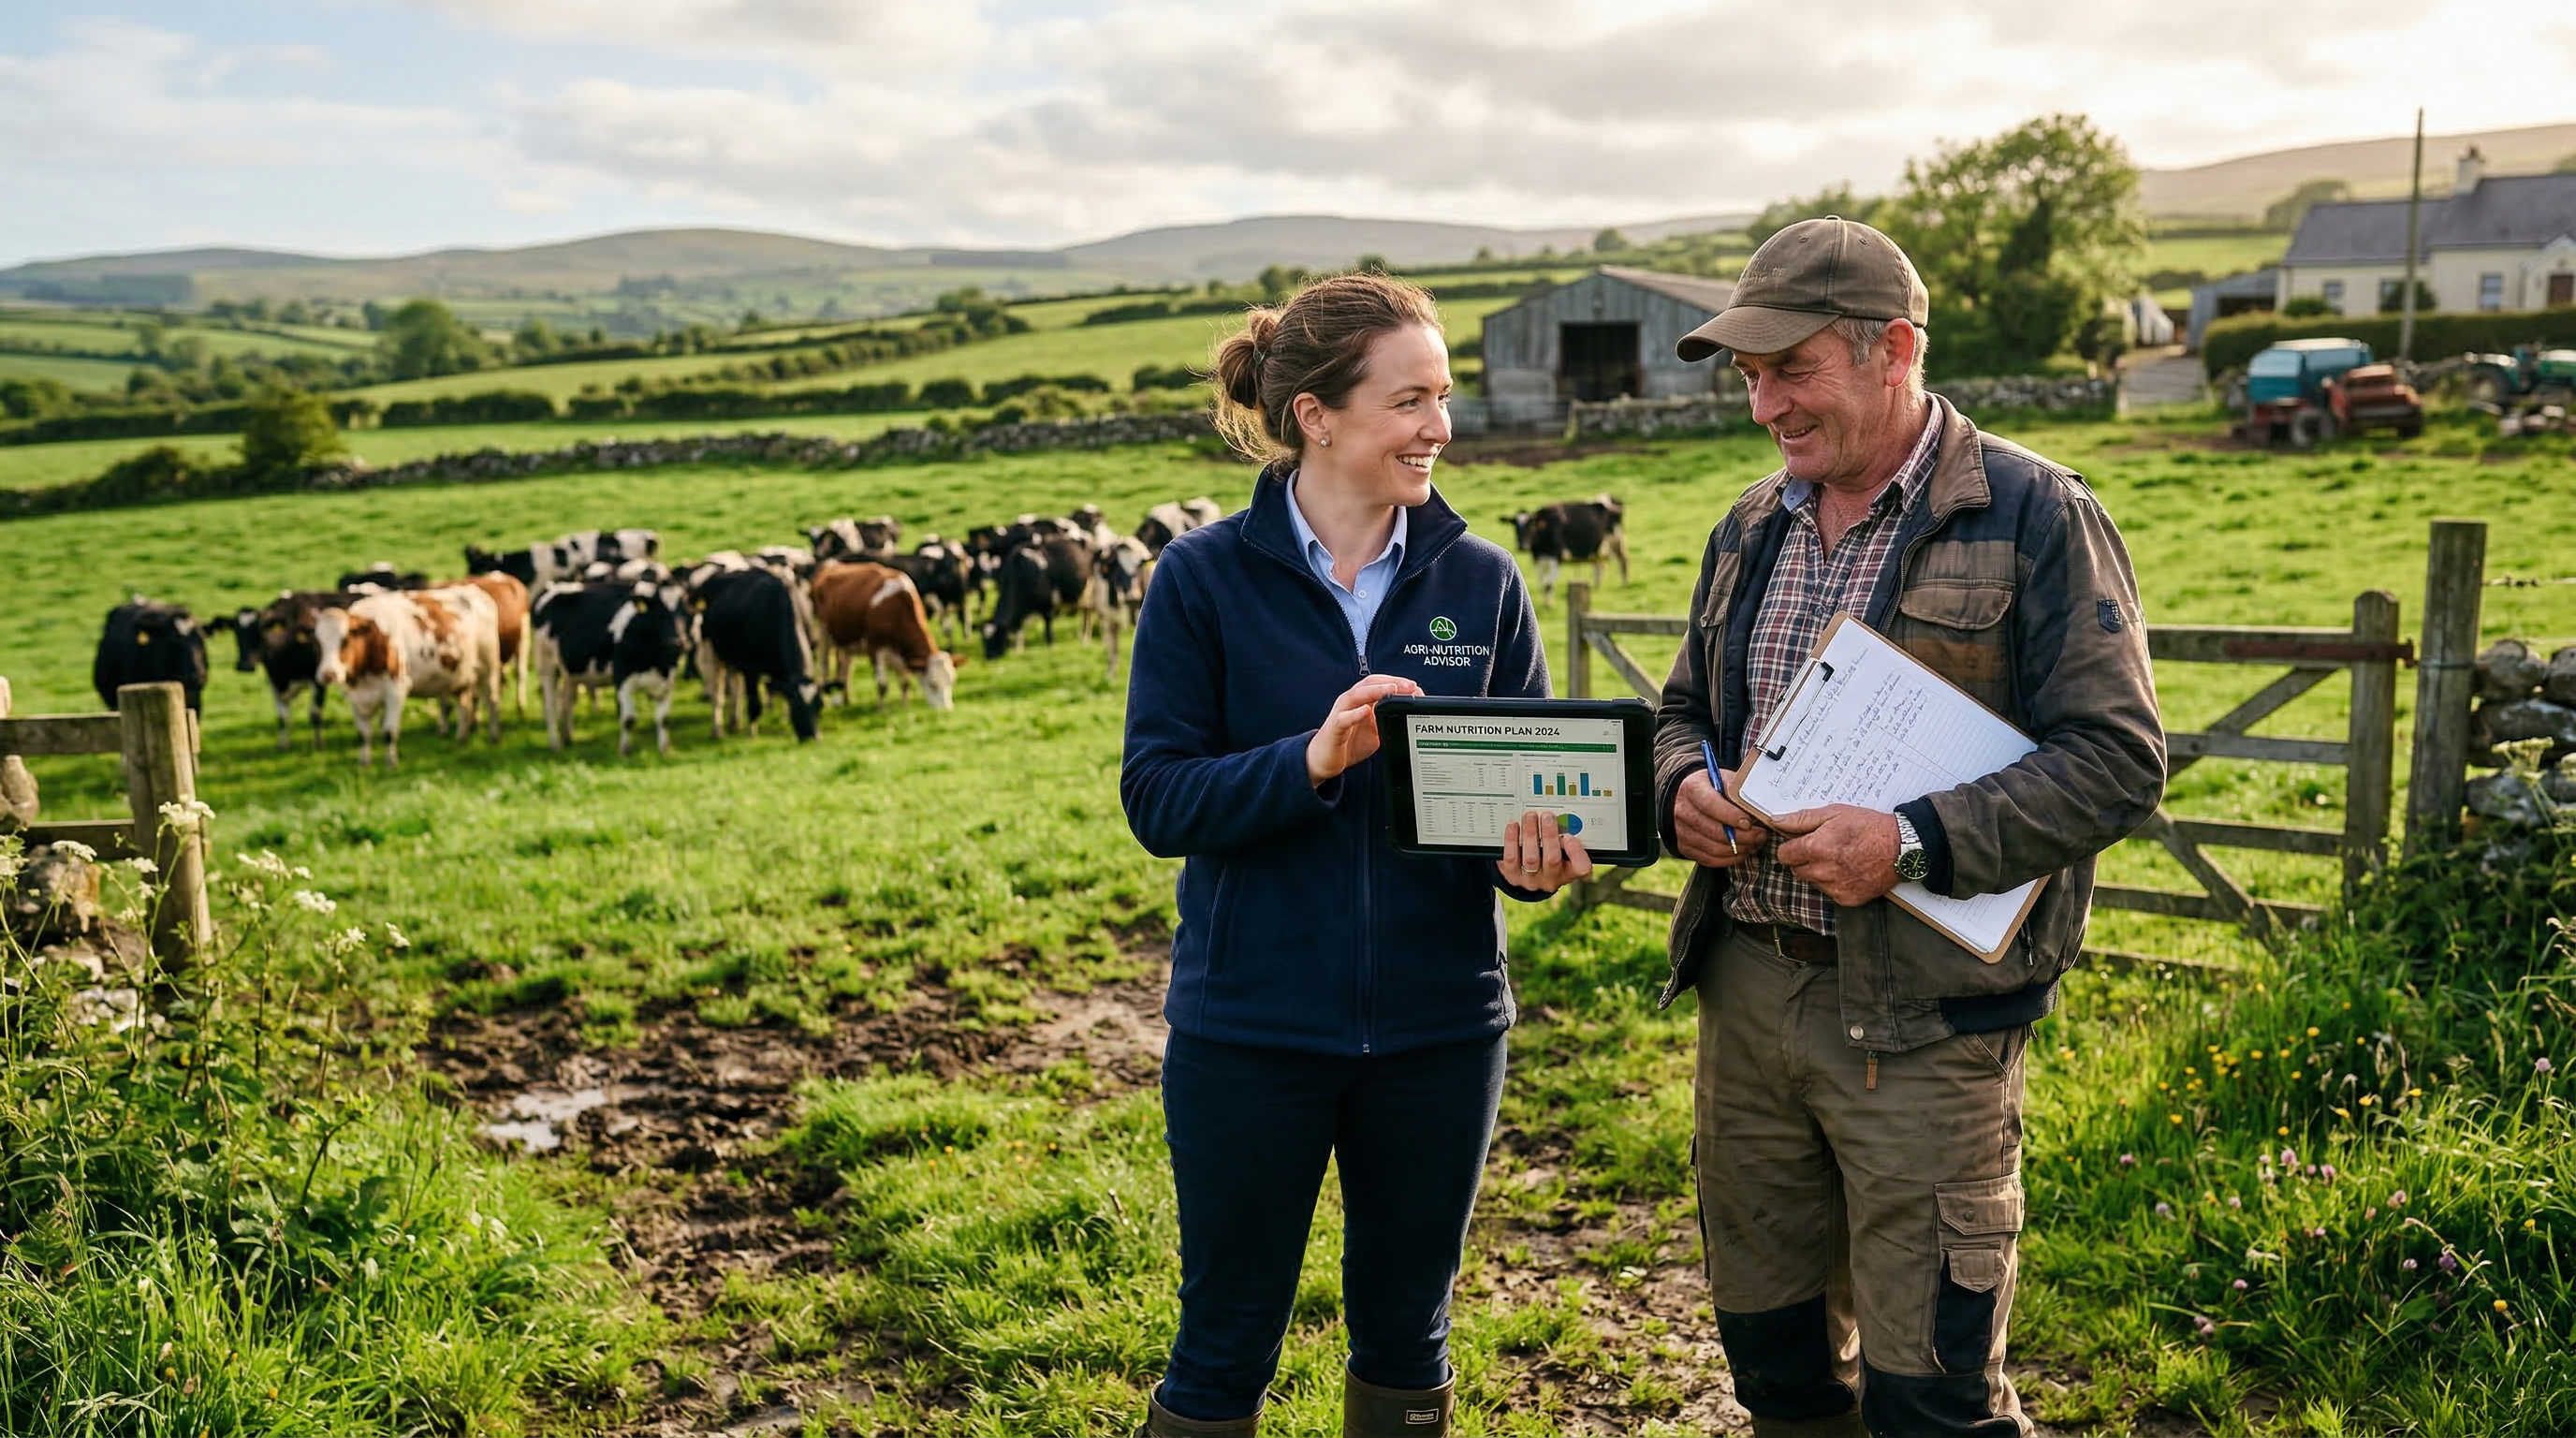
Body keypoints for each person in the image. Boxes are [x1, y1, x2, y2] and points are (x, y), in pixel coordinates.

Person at [1649, 218, 2166, 1437]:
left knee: (1931, 1399)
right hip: (1747, 994)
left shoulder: (2035, 514)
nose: (1765, 405)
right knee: (1778, 1374)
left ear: (1893, 349)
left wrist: (1912, 839)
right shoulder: (1749, 526)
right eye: (1749, 375)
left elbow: (2119, 762)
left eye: (1792, 369)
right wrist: (1681, 785)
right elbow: (1683, 714)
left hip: (1926, 1023)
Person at [1119, 272, 1589, 1437]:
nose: (1441, 427)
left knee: (1409, 1333)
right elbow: (1158, 799)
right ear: (1316, 416)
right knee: (1223, 1341)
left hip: (1441, 1030)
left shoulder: (1482, 581)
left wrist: (1529, 860)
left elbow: (1512, 802)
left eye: (1444, 396)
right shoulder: (1201, 580)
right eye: (1409, 400)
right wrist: (1311, 760)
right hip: (1249, 1032)